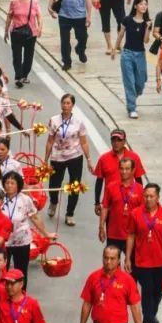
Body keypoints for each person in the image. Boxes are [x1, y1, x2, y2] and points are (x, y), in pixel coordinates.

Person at [126, 183, 162, 323]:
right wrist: (127, 258)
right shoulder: (136, 213)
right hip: (142, 261)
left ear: (158, 198)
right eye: (146, 196)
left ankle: (152, 312)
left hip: (160, 261)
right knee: (147, 290)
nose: (148, 199)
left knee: (158, 291)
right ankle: (148, 321)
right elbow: (131, 235)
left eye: (151, 196)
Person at [44, 93, 94, 225]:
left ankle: (70, 213)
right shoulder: (54, 120)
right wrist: (45, 159)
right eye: (64, 103)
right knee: (53, 185)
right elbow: (50, 141)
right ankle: (53, 202)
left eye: (68, 103)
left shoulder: (79, 122)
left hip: (75, 157)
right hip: (57, 157)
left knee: (74, 186)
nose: (65, 105)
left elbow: (84, 142)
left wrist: (89, 160)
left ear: (72, 106)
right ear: (61, 104)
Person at [1, 170, 55, 279]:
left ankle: (21, 293)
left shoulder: (25, 200)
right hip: (2, 241)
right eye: (7, 183)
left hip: (22, 241)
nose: (9, 186)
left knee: (21, 272)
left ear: (18, 185)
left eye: (12, 183)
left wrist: (46, 234)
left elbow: (34, 217)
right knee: (1, 271)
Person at [48, 0, 93, 72]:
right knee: (64, 40)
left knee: (82, 37)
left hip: (79, 15)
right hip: (64, 14)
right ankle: (67, 61)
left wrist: (88, 16)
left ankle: (80, 50)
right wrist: (50, 6)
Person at [116, 0, 152, 118]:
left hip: (140, 54)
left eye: (145, 4)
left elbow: (146, 41)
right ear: (135, 6)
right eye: (141, 4)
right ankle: (132, 107)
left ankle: (131, 98)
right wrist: (115, 48)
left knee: (141, 83)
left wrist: (147, 27)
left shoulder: (147, 22)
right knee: (129, 82)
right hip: (127, 53)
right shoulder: (127, 19)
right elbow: (121, 35)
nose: (143, 6)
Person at [91, 127, 146, 204]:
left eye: (119, 140)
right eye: (114, 140)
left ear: (124, 141)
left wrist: (141, 200)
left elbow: (138, 180)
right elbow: (99, 181)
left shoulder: (134, 157)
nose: (116, 143)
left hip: (130, 201)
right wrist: (97, 202)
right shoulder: (103, 159)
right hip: (110, 202)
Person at [100, 157, 145, 252]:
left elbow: (143, 214)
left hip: (132, 235)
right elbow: (105, 207)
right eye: (121, 168)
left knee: (132, 265)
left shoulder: (140, 190)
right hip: (114, 234)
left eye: (127, 169)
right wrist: (101, 227)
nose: (124, 172)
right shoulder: (111, 187)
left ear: (133, 170)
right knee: (112, 264)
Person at [4, 0, 41, 87]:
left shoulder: (34, 2)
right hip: (16, 32)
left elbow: (39, 15)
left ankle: (25, 75)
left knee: (28, 56)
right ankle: (18, 77)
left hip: (31, 32)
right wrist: (6, 30)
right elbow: (9, 16)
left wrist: (40, 28)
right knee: (17, 55)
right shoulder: (14, 1)